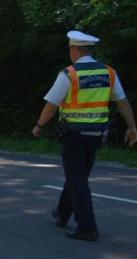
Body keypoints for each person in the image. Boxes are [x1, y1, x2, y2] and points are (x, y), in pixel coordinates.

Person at [33, 30, 137, 241]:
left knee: (77, 177)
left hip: (74, 135)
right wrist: (132, 127)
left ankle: (87, 228)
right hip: (97, 134)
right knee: (77, 174)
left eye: (70, 49)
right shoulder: (108, 72)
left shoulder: (69, 74)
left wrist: (38, 126)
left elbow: (51, 106)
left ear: (75, 49)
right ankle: (63, 213)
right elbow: (122, 102)